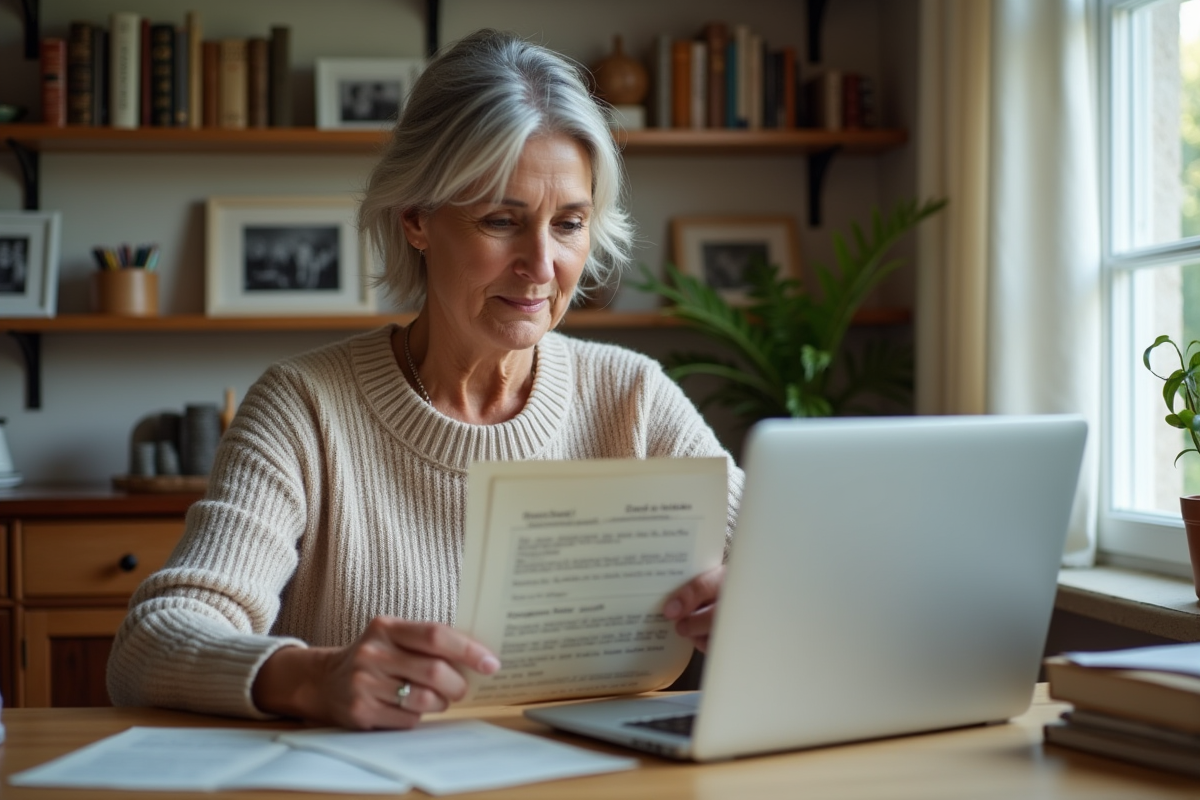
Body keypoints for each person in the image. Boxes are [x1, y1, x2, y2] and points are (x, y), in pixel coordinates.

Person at [107, 29, 744, 731]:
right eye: (502, 220)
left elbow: (802, 584)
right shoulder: (305, 408)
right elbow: (150, 643)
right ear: (416, 219)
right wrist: (313, 676)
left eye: (569, 223)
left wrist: (755, 603)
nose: (541, 264)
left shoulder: (635, 399)